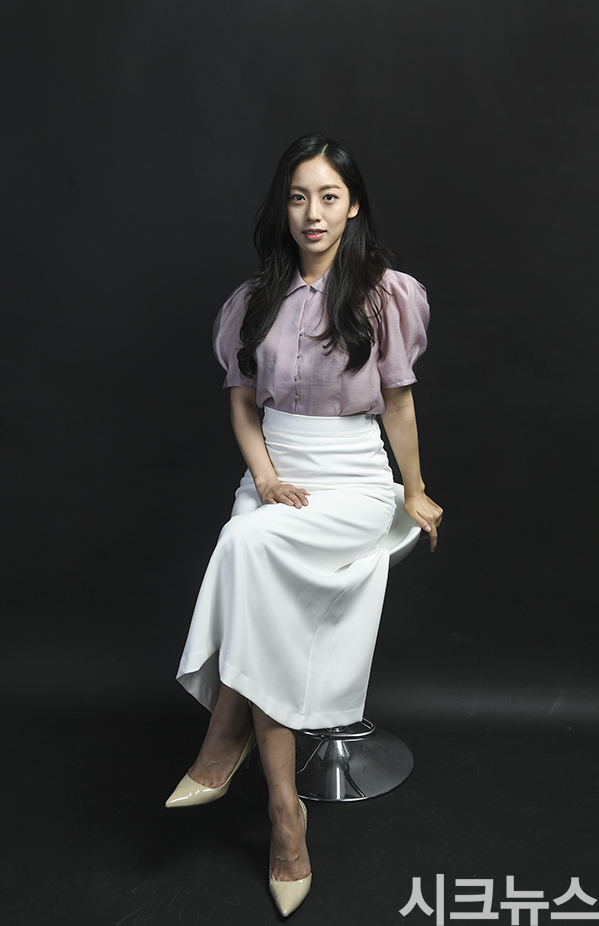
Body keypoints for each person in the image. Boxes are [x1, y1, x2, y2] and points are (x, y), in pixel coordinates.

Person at [165, 133, 443, 917]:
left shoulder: (386, 295)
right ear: (283, 208)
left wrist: (415, 491)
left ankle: (225, 735)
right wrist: (263, 479)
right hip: (274, 476)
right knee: (251, 544)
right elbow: (242, 406)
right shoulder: (252, 300)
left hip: (352, 481)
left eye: (328, 196)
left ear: (352, 207)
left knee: (241, 543)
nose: (312, 212)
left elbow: (399, 404)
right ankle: (287, 817)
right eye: (298, 197)